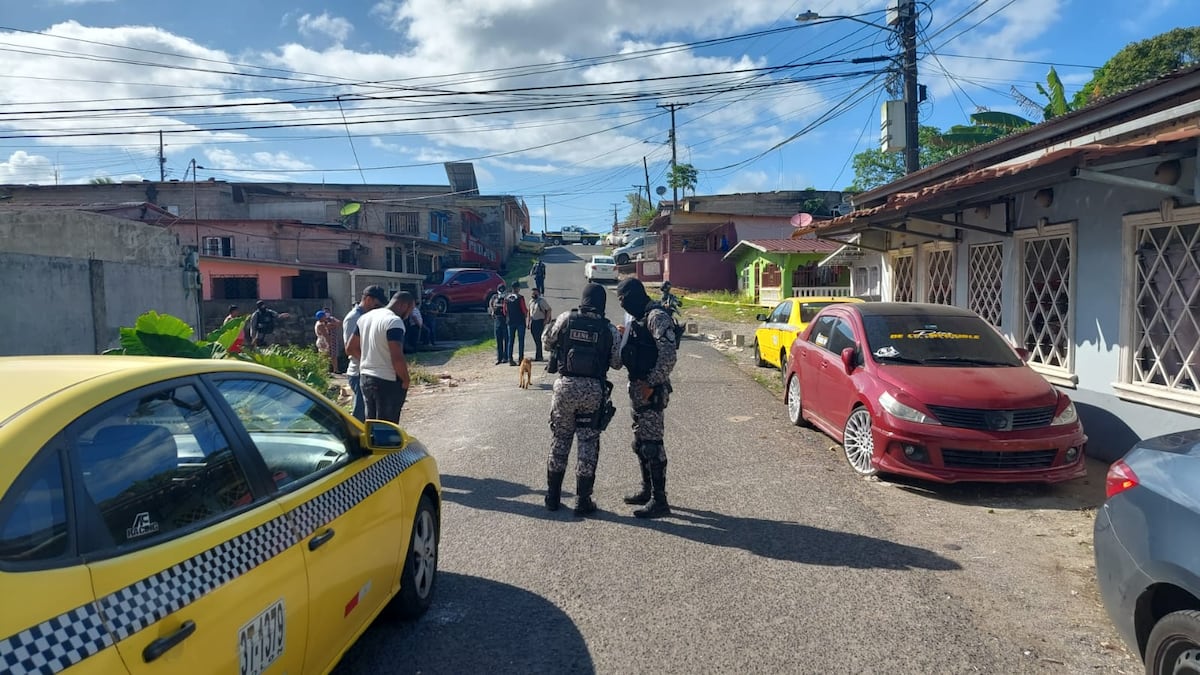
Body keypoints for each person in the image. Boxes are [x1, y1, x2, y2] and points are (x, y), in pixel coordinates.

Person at [542, 283, 622, 515]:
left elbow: (548, 342)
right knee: (588, 442)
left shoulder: (567, 318)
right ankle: (582, 500)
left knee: (561, 438)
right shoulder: (609, 329)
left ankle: (552, 497)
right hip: (593, 390)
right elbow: (617, 362)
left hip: (565, 388)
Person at [616, 277, 679, 519]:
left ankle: (660, 501)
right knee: (640, 443)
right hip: (638, 389)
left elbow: (668, 356)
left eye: (623, 299)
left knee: (652, 445)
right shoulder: (639, 317)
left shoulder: (656, 316)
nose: (622, 305)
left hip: (651, 391)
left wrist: (651, 383)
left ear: (633, 295)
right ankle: (647, 490)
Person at [346, 291, 415, 423]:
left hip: (365, 377)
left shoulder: (365, 317)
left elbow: (350, 348)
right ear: (403, 305)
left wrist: (369, 359)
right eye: (410, 309)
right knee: (387, 427)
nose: (410, 313)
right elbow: (397, 356)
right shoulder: (394, 321)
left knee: (371, 424)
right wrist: (406, 379)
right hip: (387, 380)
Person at [343, 285, 389, 421]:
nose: (379, 308)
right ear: (368, 300)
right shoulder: (354, 318)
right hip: (359, 373)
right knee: (360, 418)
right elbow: (350, 348)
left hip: (370, 372)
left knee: (371, 414)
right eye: (377, 304)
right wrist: (370, 363)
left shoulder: (368, 316)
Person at [504, 282, 529, 366]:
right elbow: (524, 309)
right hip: (520, 321)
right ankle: (520, 359)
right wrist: (526, 315)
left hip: (510, 321)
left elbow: (505, 311)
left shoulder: (506, 298)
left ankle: (510, 359)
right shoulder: (520, 297)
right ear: (518, 288)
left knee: (510, 341)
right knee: (521, 341)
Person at [527, 288, 552, 362]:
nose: (533, 294)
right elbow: (529, 312)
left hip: (540, 321)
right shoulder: (531, 301)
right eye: (532, 293)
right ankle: (538, 355)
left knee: (538, 339)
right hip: (533, 322)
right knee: (535, 339)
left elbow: (549, 309)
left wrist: (546, 320)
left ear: (538, 293)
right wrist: (528, 322)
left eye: (535, 293)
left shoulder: (542, 301)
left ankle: (539, 356)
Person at [490, 283, 508, 365]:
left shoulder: (507, 297)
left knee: (506, 340)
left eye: (502, 289)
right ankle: (499, 358)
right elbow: (491, 305)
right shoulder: (494, 297)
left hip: (505, 320)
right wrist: (492, 311)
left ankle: (506, 357)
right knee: (498, 341)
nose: (501, 292)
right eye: (500, 290)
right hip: (497, 319)